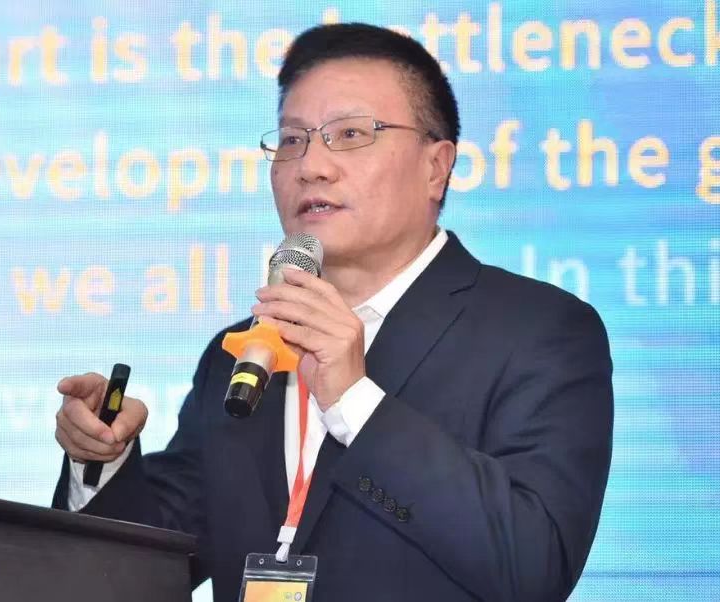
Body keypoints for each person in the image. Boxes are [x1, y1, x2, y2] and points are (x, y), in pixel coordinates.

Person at [52, 22, 613, 602]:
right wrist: (102, 461)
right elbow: (142, 567)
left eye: (350, 134)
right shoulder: (241, 353)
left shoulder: (538, 332)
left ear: (436, 166)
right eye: (292, 140)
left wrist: (354, 402)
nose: (311, 165)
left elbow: (533, 566)